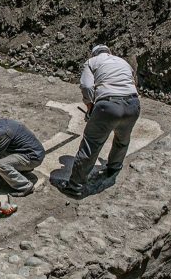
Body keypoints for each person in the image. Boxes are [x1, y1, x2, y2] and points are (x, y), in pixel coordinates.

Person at [55, 43, 141, 198]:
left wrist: (90, 106)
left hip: (109, 106)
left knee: (91, 145)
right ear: (109, 52)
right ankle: (113, 169)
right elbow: (133, 82)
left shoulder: (91, 62)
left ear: (93, 54)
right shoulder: (123, 62)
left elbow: (86, 86)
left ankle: (75, 186)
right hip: (133, 104)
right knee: (122, 139)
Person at [0, 112, 46, 197]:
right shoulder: (3, 122)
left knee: (0, 164)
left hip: (33, 157)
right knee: (0, 154)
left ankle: (26, 187)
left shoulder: (1, 132)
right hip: (31, 152)